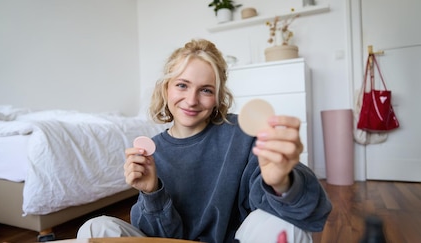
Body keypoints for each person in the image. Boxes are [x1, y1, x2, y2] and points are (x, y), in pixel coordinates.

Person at [77, 39, 331, 243]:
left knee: (284, 227)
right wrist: (151, 192)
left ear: (218, 97)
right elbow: (157, 238)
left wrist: (281, 183)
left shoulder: (241, 134)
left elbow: (309, 210)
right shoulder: (152, 152)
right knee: (93, 229)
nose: (191, 100)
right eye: (182, 85)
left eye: (206, 90)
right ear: (166, 89)